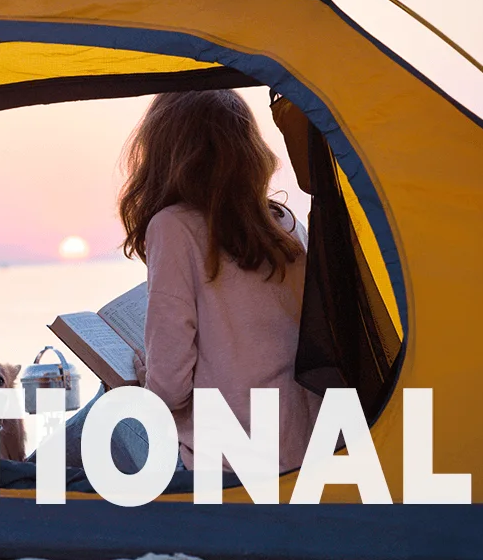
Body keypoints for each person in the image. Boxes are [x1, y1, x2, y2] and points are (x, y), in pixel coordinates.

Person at [42, 89, 320, 475]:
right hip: (304, 448)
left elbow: (170, 389)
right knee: (104, 407)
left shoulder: (175, 226)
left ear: (165, 154)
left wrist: (141, 383)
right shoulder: (286, 225)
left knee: (106, 408)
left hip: (226, 463)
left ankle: (5, 490)